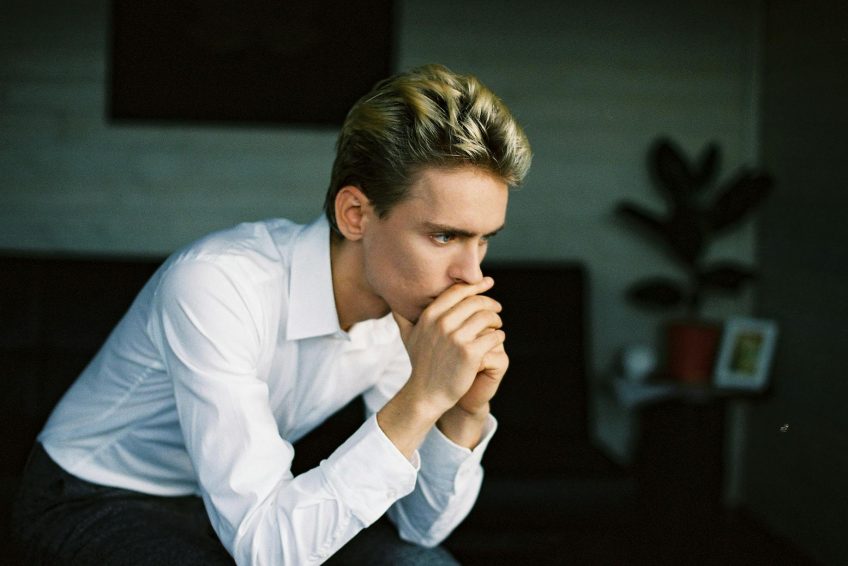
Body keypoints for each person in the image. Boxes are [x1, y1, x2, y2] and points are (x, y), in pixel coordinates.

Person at [12, 63, 532, 565]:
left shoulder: (409, 310)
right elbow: (267, 551)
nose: (473, 275)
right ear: (356, 214)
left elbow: (421, 528)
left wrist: (463, 412)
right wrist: (423, 397)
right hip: (92, 496)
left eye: (484, 239)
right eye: (444, 236)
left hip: (242, 507)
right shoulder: (217, 283)